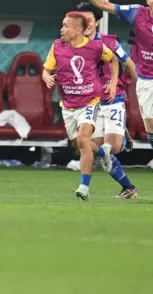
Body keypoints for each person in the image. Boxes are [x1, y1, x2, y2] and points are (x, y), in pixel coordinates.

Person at [76, 0, 153, 177]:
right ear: (147, 0)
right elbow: (104, 5)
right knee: (150, 126)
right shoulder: (136, 13)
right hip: (146, 78)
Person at [42, 11, 117, 200]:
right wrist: (46, 78)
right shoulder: (57, 46)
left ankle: (84, 187)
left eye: (65, 26)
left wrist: (114, 82)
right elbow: (46, 70)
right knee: (78, 143)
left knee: (83, 139)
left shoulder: (96, 47)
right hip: (68, 105)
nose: (61, 29)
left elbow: (114, 59)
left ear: (78, 30)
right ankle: (102, 151)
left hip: (90, 101)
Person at [77, 3, 138, 200]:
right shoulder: (72, 47)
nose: (86, 24)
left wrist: (141, 92)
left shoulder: (110, 43)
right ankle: (129, 188)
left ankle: (120, 132)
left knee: (114, 148)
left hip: (113, 99)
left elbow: (129, 64)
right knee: (98, 151)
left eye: (89, 19)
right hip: (91, 104)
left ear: (96, 22)